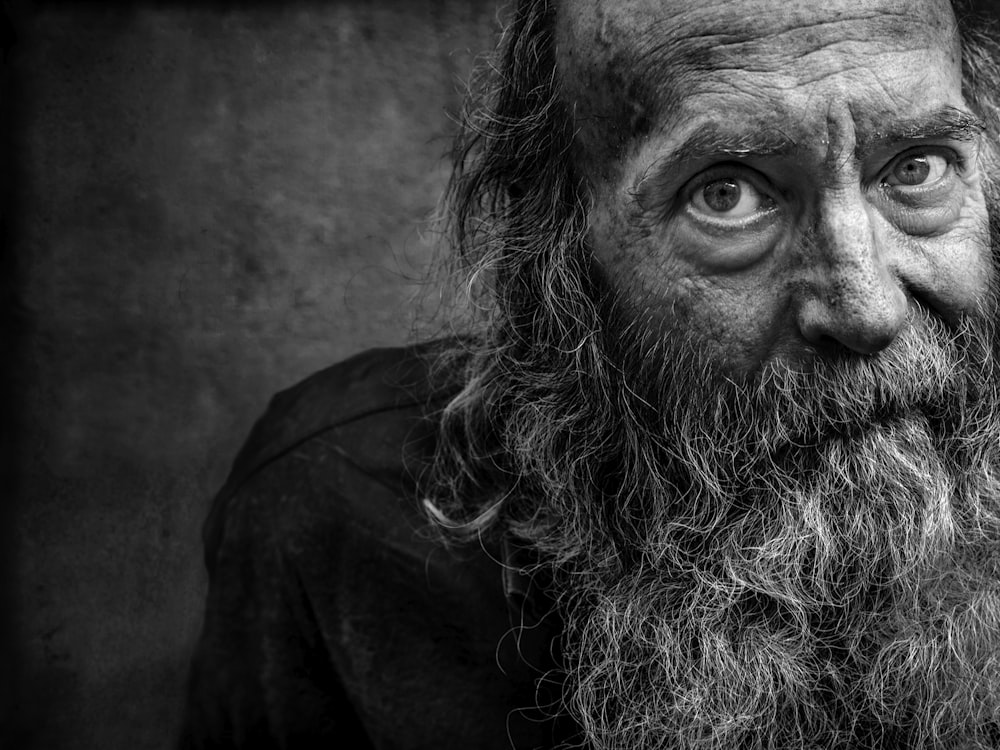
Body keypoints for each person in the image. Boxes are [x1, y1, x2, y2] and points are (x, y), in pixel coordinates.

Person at [181, 0, 1000, 747]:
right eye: (728, 195)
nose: (865, 308)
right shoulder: (340, 514)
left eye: (917, 168)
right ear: (557, 253)